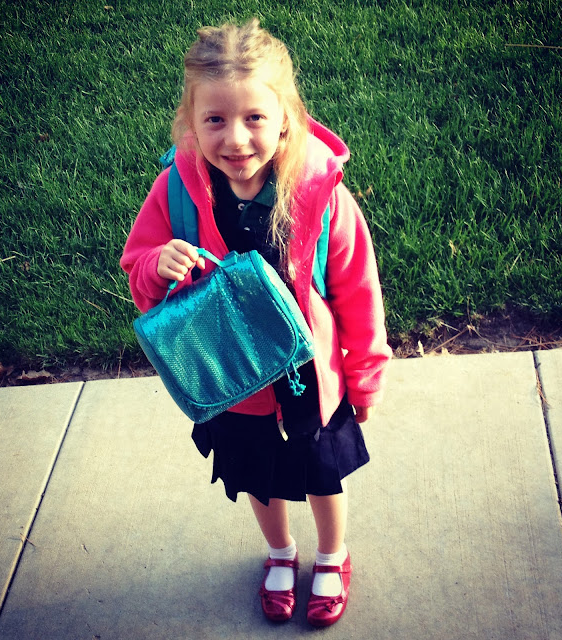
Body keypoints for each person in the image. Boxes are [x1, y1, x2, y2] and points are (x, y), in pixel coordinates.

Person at [121, 18, 392, 627]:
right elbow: (138, 271)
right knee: (259, 477)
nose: (236, 139)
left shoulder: (319, 192)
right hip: (234, 380)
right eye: (215, 120)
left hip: (309, 377)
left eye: (254, 118)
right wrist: (157, 264)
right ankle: (280, 551)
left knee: (322, 474)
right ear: (191, 123)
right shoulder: (177, 191)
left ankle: (332, 554)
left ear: (286, 118)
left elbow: (357, 291)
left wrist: (365, 377)